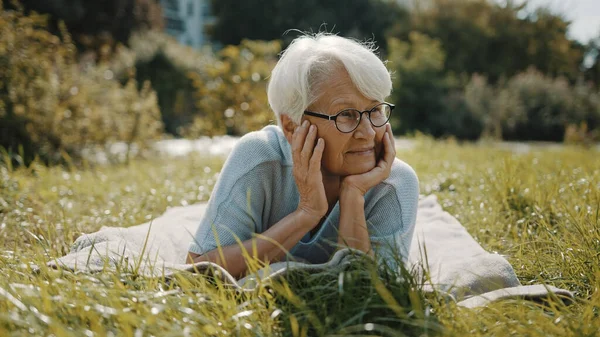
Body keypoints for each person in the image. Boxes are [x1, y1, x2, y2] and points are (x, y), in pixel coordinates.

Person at [186, 33, 419, 278]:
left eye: (376, 110)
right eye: (347, 114)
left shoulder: (395, 183)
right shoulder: (259, 157)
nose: (368, 132)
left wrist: (353, 195)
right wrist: (306, 213)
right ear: (291, 126)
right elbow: (197, 270)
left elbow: (372, 293)